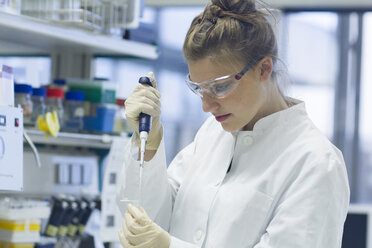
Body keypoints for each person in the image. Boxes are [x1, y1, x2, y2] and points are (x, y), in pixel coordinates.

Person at [116, 0, 350, 247]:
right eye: (199, 89)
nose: (206, 106)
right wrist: (149, 144)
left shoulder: (316, 163)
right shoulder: (211, 133)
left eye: (220, 86)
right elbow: (149, 222)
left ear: (264, 69)